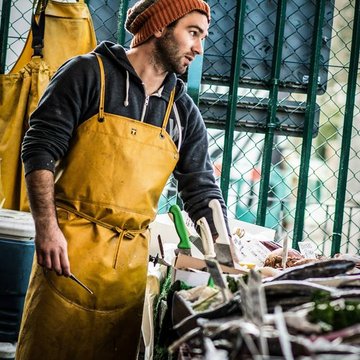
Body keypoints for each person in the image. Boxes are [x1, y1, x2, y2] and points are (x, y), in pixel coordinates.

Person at [16, 0, 230, 358]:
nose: (199, 47)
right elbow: (38, 148)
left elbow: (201, 190)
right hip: (66, 257)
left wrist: (226, 252)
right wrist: (47, 230)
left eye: (203, 36)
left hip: (128, 275)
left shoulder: (182, 111)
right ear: (160, 27)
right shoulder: (87, 74)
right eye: (192, 33)